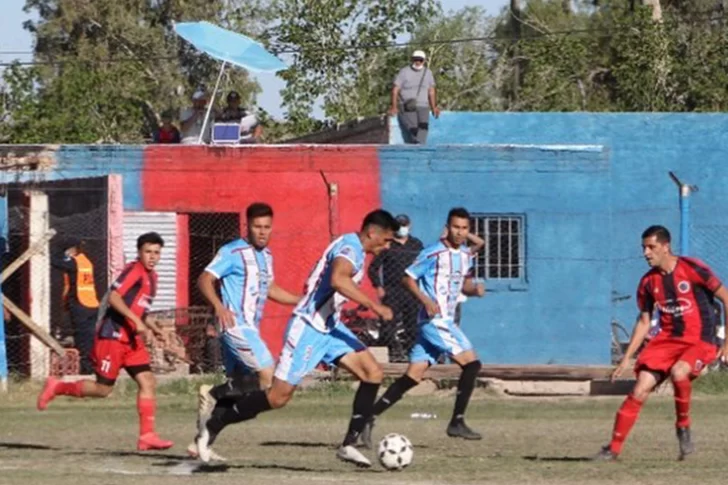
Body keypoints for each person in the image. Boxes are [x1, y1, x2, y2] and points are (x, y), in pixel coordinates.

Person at [195, 210, 399, 467]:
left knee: (373, 372)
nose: (388, 245)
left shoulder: (355, 248)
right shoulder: (350, 248)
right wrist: (374, 305)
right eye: (387, 239)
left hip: (330, 327)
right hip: (308, 328)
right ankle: (214, 425)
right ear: (372, 233)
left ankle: (349, 444)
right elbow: (338, 279)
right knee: (277, 397)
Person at [594, 225, 728, 461]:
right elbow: (645, 322)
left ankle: (683, 425)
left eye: (651, 247)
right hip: (666, 341)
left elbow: (726, 299)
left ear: (666, 247)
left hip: (699, 340)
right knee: (639, 388)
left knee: (679, 372)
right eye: (644, 248)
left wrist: (726, 343)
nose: (646, 253)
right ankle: (612, 450)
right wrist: (626, 358)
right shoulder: (647, 282)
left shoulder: (693, 269)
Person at [360, 207, 486, 449]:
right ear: (447, 228)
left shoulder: (463, 256)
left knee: (412, 376)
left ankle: (369, 417)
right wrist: (426, 300)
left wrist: (474, 291)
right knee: (472, 364)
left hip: (441, 321)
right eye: (456, 227)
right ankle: (457, 421)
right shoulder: (433, 252)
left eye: (464, 228)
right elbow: (407, 277)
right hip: (435, 321)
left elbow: (461, 285)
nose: (460, 233)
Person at [37, 232, 174, 451]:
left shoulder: (152, 277)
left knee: (148, 381)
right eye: (148, 252)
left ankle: (147, 436)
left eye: (156, 252)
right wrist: (135, 322)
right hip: (113, 337)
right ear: (139, 252)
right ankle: (58, 386)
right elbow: (114, 297)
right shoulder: (134, 270)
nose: (152, 256)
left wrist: (155, 328)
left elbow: (139, 310)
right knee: (103, 389)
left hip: (131, 340)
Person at [187, 203, 301, 460]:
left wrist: (298, 300)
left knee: (243, 389)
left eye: (266, 227)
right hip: (235, 326)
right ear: (247, 226)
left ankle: (200, 443)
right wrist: (218, 306)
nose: (262, 232)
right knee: (267, 376)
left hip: (251, 328)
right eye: (257, 226)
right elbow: (204, 279)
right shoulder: (232, 251)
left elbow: (269, 289)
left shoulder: (267, 256)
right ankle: (212, 393)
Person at [368, 214, 423, 358]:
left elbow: (424, 265)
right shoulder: (388, 245)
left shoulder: (416, 245)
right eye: (399, 225)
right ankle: (390, 352)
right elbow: (373, 268)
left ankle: (412, 353)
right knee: (388, 323)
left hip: (412, 291)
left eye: (404, 225)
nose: (402, 228)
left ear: (409, 226)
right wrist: (378, 286)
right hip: (392, 290)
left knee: (412, 324)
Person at [51, 237, 100, 375]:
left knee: (82, 338)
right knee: (89, 338)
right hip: (92, 304)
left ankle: (85, 368)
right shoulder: (86, 261)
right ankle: (90, 365)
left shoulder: (75, 263)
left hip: (81, 304)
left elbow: (55, 262)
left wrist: (58, 251)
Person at [390, 50, 440, 145]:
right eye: (416, 60)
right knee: (413, 128)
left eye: (420, 60)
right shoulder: (404, 72)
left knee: (424, 127)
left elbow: (431, 91)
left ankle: (419, 146)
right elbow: (395, 90)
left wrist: (434, 107)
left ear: (424, 61)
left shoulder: (428, 73)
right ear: (412, 60)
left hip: (423, 105)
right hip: (407, 105)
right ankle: (418, 147)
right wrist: (394, 107)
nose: (417, 62)